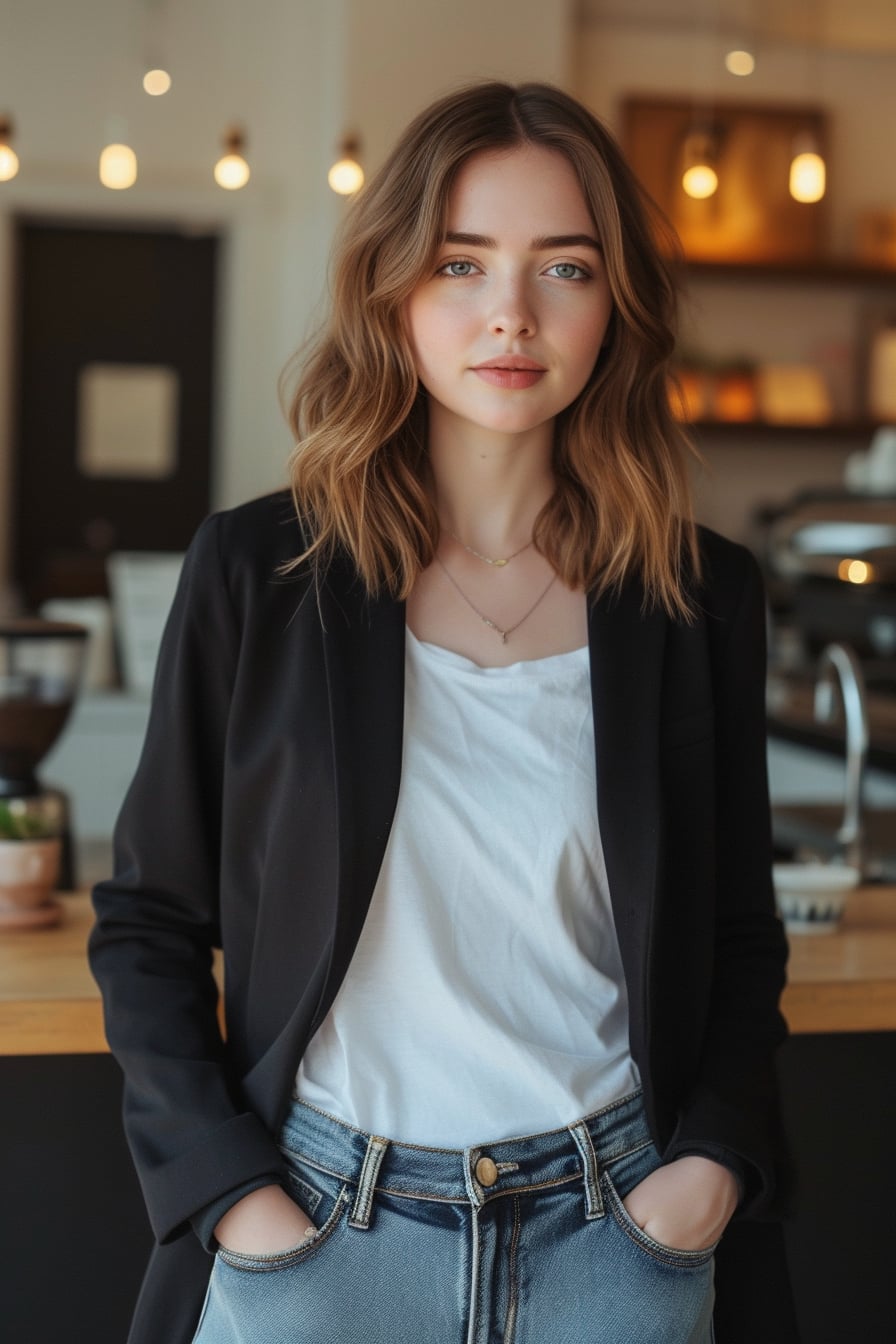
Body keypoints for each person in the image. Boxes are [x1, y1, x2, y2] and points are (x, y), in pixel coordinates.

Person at [89, 81, 796, 1344]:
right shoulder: (259, 574)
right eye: (460, 263)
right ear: (392, 289)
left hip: (616, 1244)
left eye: (562, 269)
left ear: (613, 303)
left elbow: (740, 935)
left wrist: (707, 1179)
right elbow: (147, 920)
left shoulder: (698, 600)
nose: (509, 314)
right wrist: (235, 1202)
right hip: (317, 1239)